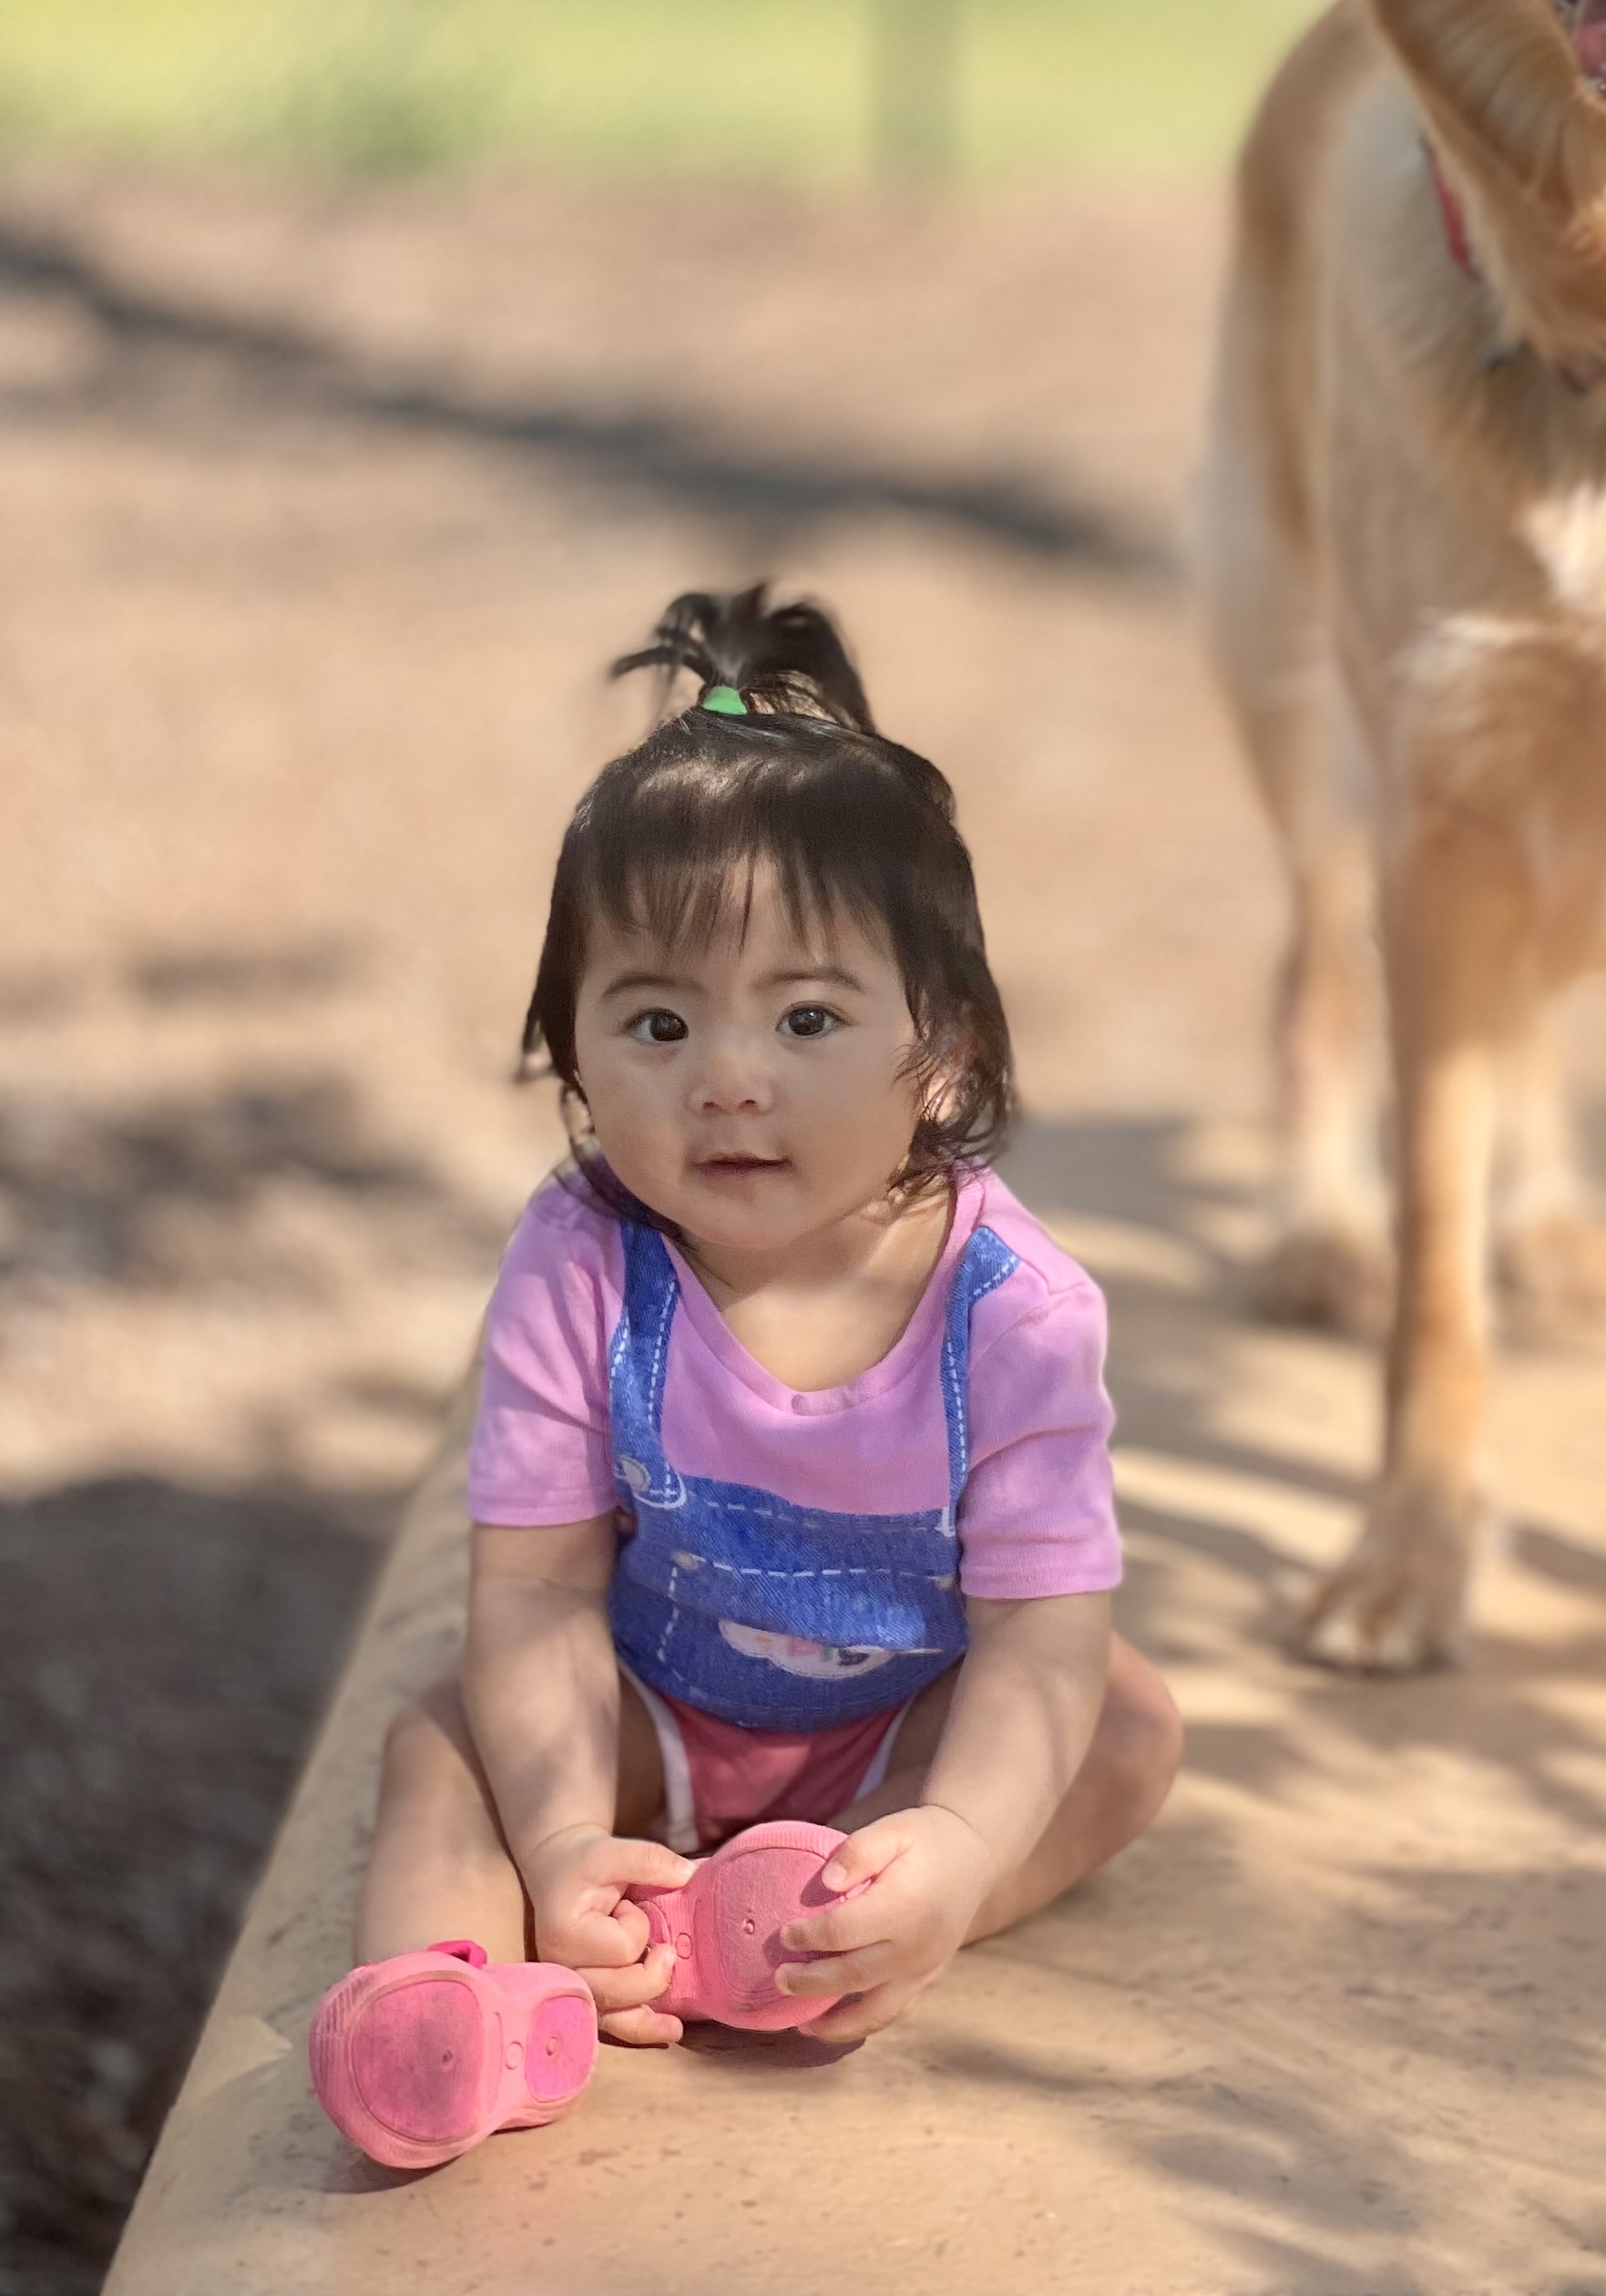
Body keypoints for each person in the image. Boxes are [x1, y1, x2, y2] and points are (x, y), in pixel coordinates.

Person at [308, 587, 1181, 2172]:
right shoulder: (584, 1259)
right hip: (653, 1706)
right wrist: (570, 1831)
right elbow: (537, 1594)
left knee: (1121, 1730)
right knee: (437, 1739)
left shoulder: (1016, 1309)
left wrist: (963, 1842)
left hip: (905, 1727)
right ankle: (454, 2005)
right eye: (655, 1018)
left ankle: (856, 1914)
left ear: (953, 1053)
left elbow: (1043, 1634)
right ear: (571, 1058)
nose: (728, 1075)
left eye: (807, 1014)